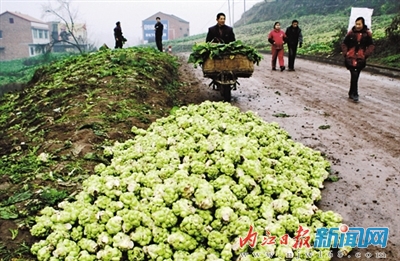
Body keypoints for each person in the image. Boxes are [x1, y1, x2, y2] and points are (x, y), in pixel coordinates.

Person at [341, 17, 374, 102]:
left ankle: (352, 92)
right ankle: (354, 93)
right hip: (351, 57)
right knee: (354, 74)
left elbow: (371, 45)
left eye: (359, 24)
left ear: (363, 24)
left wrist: (365, 54)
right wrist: (346, 53)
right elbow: (344, 43)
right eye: (356, 24)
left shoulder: (367, 34)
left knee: (356, 75)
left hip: (360, 57)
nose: (357, 26)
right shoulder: (351, 33)